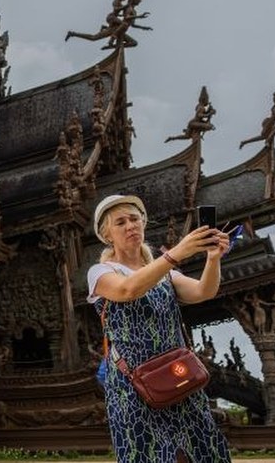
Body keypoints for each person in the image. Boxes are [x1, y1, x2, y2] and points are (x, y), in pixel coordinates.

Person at [87, 194, 232, 463]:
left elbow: (203, 291)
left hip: (178, 375)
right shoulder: (100, 272)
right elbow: (128, 289)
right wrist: (176, 253)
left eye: (134, 219)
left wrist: (213, 258)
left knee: (203, 451)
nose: (130, 226)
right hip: (131, 384)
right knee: (146, 454)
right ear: (107, 235)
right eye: (120, 222)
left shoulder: (165, 273)